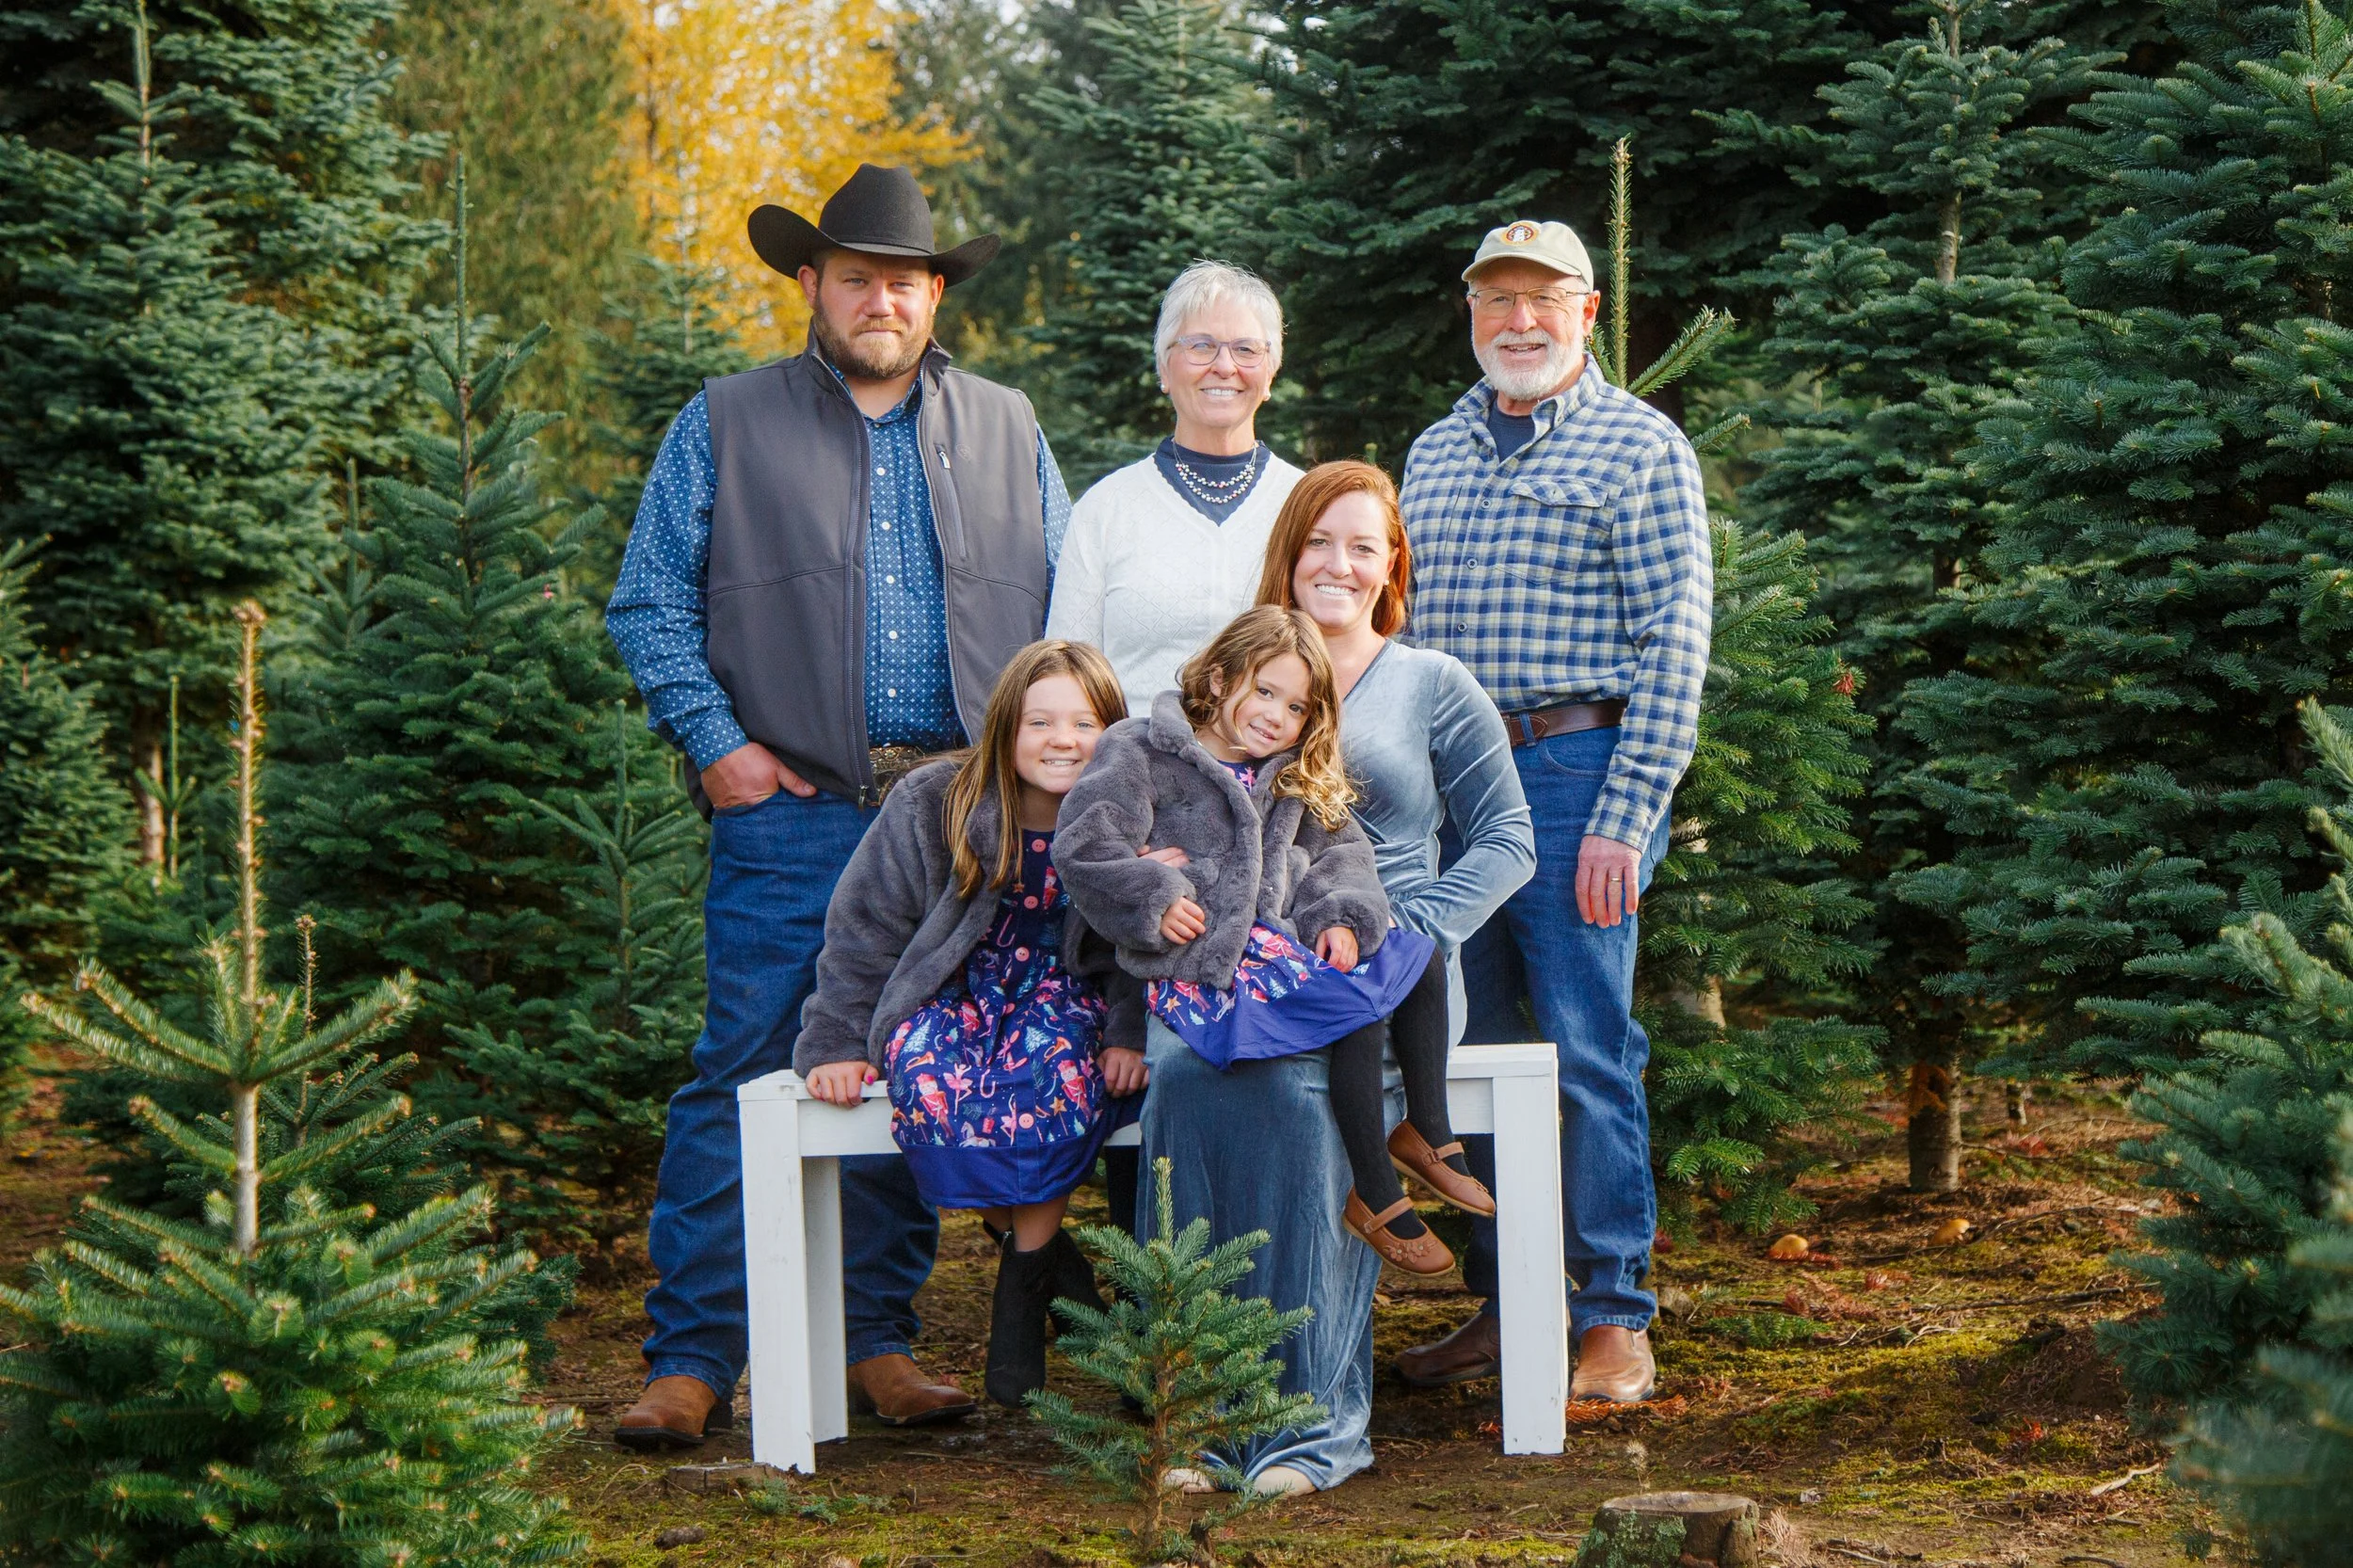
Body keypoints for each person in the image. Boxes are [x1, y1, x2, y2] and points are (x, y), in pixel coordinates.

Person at [604, 164, 1076, 1447]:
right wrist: (721, 751)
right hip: (793, 810)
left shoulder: (1007, 425)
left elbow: (1068, 622)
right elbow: (646, 599)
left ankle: (878, 1341)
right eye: (857, 276)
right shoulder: (726, 420)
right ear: (811, 283)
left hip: (954, 820)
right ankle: (694, 1359)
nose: (883, 299)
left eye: (906, 282)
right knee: (743, 1068)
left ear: (936, 299)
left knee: (914, 1063)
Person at [1391, 218, 1713, 1405]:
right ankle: (1508, 1296)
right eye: (1495, 301)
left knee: (1583, 1042)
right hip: (1450, 789)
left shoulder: (1639, 447)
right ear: (1470, 314)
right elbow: (1403, 638)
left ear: (1586, 312)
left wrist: (1627, 815)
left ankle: (1613, 1312)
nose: (1516, 322)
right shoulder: (1433, 453)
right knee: (1464, 1048)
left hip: (1578, 772)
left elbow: (1675, 640)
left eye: (1542, 300)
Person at [793, 641, 1148, 1409]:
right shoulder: (936, 800)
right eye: (1038, 722)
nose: (1063, 739)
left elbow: (1141, 945)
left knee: (1053, 1068)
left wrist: (1129, 1032)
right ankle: (1054, 1266)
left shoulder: (1133, 812)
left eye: (1085, 722)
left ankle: (1020, 1301)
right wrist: (835, 1040)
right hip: (955, 993)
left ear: (1113, 731)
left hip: (1071, 995)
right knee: (924, 1071)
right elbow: (866, 927)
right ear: (1002, 730)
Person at [1251, 456, 1535, 1102]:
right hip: (1266, 960)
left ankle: (1364, 1199)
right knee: (1209, 1064)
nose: (1338, 565)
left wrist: (1405, 928)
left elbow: (1509, 840)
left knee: (1295, 1075)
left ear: (1390, 564)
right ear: (1290, 552)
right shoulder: (1247, 681)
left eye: (1361, 547)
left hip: (1395, 977)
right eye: (1318, 542)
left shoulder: (1432, 682)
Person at [1047, 262, 1305, 712]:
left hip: (1274, 777)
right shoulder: (1107, 508)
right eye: (1200, 346)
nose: (1225, 366)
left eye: (1246, 349)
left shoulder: (1307, 503)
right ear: (1164, 369)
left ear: (1270, 375)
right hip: (1135, 772)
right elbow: (1066, 680)